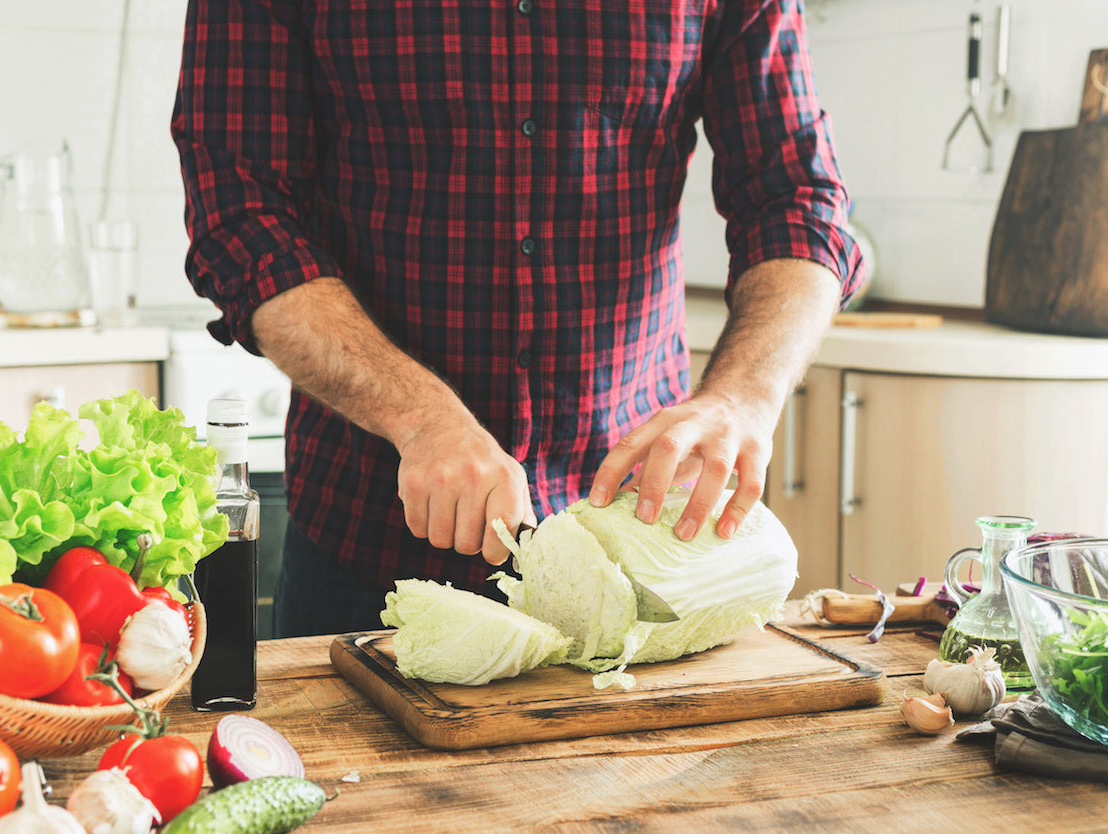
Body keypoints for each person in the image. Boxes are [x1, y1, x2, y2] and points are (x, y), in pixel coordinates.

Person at [172, 0, 865, 637]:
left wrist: (741, 397)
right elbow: (242, 215)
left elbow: (797, 199)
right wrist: (418, 416)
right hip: (368, 538)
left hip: (637, 544)